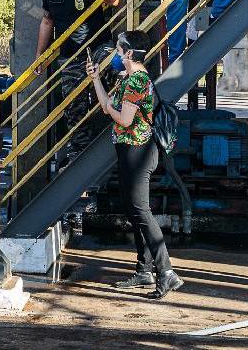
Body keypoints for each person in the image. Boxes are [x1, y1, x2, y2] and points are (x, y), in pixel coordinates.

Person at [86, 30, 183, 300]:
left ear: (129, 54)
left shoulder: (137, 80)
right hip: (129, 151)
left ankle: (166, 272)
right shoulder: (127, 79)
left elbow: (125, 120)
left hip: (139, 152)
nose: (115, 55)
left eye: (118, 50)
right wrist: (96, 80)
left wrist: (113, 111)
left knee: (141, 211)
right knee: (133, 210)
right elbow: (107, 107)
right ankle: (144, 270)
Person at [33, 0, 114, 166]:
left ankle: (116, 138)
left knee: (111, 86)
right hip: (70, 55)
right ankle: (81, 151)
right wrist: (40, 54)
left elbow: (115, 0)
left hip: (98, 46)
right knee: (73, 104)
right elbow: (47, 21)